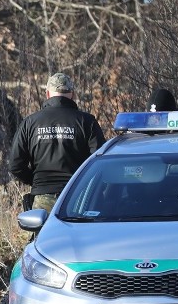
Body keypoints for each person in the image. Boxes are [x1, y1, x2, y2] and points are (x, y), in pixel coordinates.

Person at [9, 72, 106, 212]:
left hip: (43, 197)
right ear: (72, 94)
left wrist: (37, 181)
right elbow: (100, 161)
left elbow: (15, 165)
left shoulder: (30, 123)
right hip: (78, 195)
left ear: (48, 94)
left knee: (42, 233)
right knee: (79, 234)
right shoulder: (87, 121)